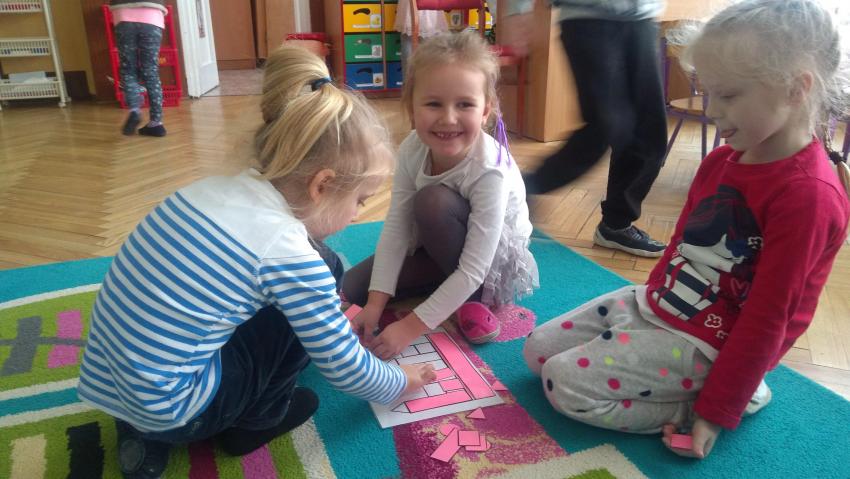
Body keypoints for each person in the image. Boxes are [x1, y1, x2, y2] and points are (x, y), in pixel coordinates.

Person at [76, 44, 436, 479]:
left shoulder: (202, 191)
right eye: (359, 200)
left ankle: (139, 433)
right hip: (176, 409)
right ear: (322, 186)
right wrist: (402, 381)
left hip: (110, 382)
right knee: (320, 279)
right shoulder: (288, 254)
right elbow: (344, 367)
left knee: (257, 302)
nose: (358, 215)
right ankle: (254, 422)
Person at [522, 0, 850, 459]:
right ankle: (669, 364)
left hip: (710, 344)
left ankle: (728, 396)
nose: (713, 110)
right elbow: (682, 243)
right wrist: (648, 306)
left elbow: (768, 319)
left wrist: (714, 412)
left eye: (728, 96)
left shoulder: (808, 196)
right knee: (536, 351)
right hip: (661, 307)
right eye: (708, 92)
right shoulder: (721, 161)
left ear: (797, 88)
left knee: (564, 383)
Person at [342, 31, 538, 360]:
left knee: (432, 201)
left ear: (485, 111)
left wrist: (410, 327)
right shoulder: (412, 148)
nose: (448, 118)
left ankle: (472, 300)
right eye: (433, 104)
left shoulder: (489, 168)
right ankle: (445, 289)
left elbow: (475, 267)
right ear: (411, 107)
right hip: (438, 242)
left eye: (465, 104)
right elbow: (397, 229)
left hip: (490, 265)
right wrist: (375, 303)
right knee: (352, 287)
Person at [503, 0, 669, 257]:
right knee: (605, 125)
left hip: (643, 18)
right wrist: (518, 9)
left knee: (650, 134)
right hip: (587, 18)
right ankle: (524, 189)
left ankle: (616, 224)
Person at [110, 0, 168, 137]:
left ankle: (135, 110)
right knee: (151, 71)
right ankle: (156, 123)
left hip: (124, 16)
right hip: (152, 16)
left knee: (128, 69)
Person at [393, 0, 449, 76]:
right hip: (410, 8)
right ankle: (412, 81)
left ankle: (424, 81)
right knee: (409, 54)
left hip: (428, 9)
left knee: (430, 55)